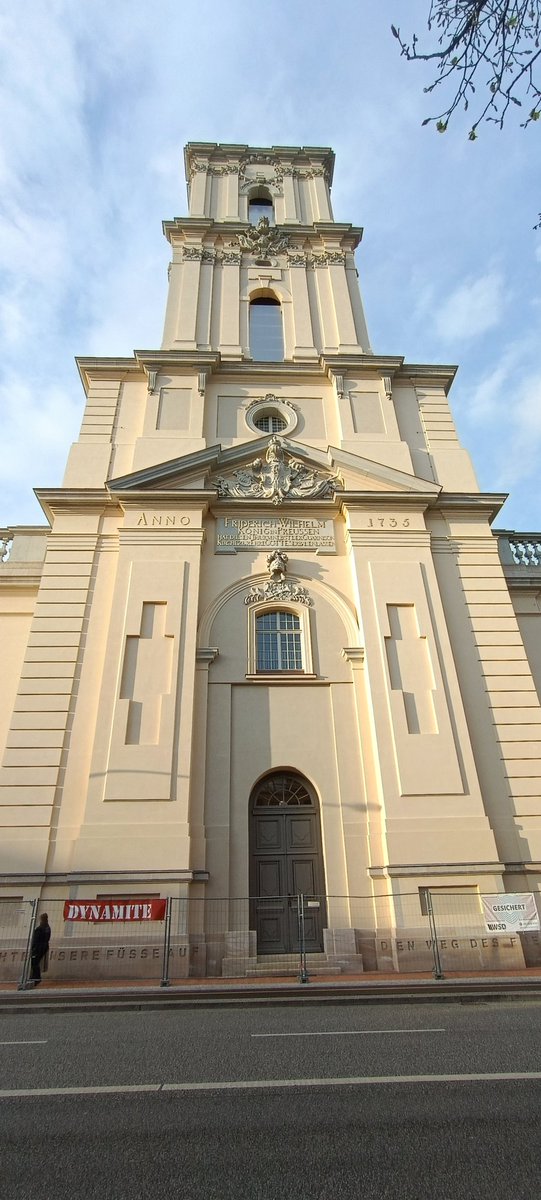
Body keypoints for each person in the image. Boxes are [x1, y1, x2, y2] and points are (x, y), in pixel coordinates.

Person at [29, 912, 51, 986]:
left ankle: (36, 978)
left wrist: (33, 947)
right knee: (36, 962)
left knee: (34, 962)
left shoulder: (40, 928)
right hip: (44, 946)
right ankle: (35, 978)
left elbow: (36, 939)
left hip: (38, 947)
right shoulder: (47, 927)